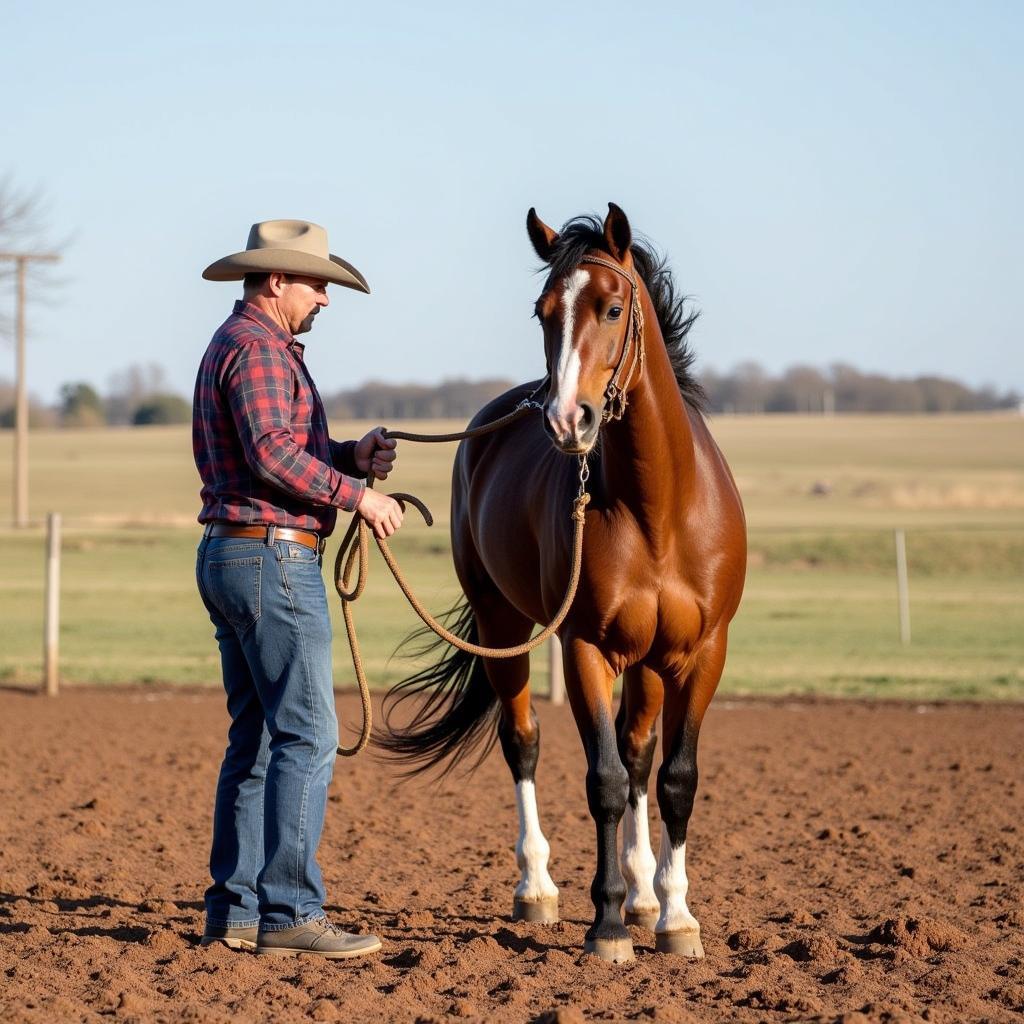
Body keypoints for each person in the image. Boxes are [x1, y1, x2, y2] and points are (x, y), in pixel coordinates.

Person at [192, 219, 403, 959]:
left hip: (235, 555)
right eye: (317, 284)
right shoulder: (256, 349)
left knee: (254, 739)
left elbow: (283, 450)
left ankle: (237, 912)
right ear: (276, 280)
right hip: (272, 560)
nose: (326, 299)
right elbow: (271, 452)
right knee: (307, 735)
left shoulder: (247, 346)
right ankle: (288, 911)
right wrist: (358, 495)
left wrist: (350, 456)